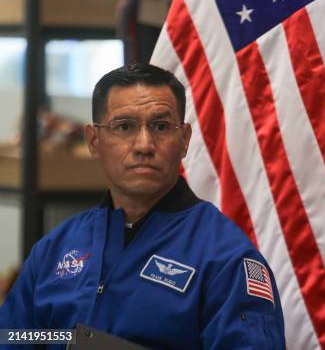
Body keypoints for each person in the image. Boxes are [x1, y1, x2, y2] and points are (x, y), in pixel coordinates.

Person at [0, 64, 285, 349]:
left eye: (161, 127)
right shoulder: (55, 248)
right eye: (124, 127)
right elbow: (17, 338)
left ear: (184, 140)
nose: (144, 144)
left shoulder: (225, 258)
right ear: (94, 141)